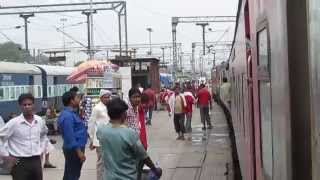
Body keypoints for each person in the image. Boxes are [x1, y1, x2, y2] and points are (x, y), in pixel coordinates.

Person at [96, 98, 162, 180]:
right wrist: (155, 169)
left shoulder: (101, 130)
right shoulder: (129, 133)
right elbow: (143, 156)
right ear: (123, 114)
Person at [0, 93, 48, 180]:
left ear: (33, 105)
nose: (27, 107)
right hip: (20, 163)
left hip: (36, 161)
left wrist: (42, 150)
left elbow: (44, 135)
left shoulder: (39, 121)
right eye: (24, 105)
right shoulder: (14, 123)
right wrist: (5, 156)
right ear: (20, 106)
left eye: (29, 104)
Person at [58, 91, 88, 180]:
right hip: (74, 150)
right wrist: (79, 152)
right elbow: (70, 136)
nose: (79, 100)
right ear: (71, 101)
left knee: (70, 174)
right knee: (73, 175)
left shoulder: (71, 113)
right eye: (77, 98)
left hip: (75, 148)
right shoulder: (67, 116)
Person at [88, 89, 112, 180]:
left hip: (109, 138)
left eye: (108, 97)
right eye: (106, 97)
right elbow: (91, 124)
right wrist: (91, 139)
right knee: (101, 161)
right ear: (101, 98)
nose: (107, 99)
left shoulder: (109, 107)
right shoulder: (97, 108)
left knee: (108, 161)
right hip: (99, 139)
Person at [126, 88, 148, 180]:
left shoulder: (137, 108)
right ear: (130, 98)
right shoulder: (126, 109)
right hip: (129, 143)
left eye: (138, 97)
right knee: (133, 168)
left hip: (137, 141)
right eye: (134, 97)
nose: (137, 99)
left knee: (139, 165)